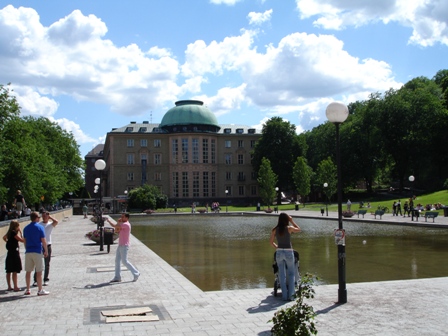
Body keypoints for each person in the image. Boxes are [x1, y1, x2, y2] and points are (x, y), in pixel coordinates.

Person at [269, 213, 301, 301]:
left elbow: (271, 242)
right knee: (291, 273)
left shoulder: (275, 229)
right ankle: (291, 296)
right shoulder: (289, 228)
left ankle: (284, 295)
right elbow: (299, 229)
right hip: (288, 252)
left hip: (279, 252)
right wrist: (292, 221)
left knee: (281, 274)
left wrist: (277, 247)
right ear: (286, 219)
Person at [106, 213, 140, 282]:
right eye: (121, 216)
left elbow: (114, 226)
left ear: (127, 218)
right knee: (117, 261)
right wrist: (118, 223)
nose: (121, 218)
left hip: (124, 245)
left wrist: (109, 221)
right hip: (120, 245)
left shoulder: (126, 224)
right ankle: (117, 277)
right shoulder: (122, 224)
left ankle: (136, 273)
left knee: (124, 261)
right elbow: (116, 230)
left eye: (123, 217)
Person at [23, 212, 49, 296]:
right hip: (37, 251)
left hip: (28, 251)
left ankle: (27, 289)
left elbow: (25, 241)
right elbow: (43, 241)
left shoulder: (26, 228)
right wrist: (46, 250)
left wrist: (26, 248)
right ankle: (40, 289)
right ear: (37, 218)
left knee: (28, 271)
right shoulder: (40, 227)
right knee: (39, 271)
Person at [33, 211, 59, 286]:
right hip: (40, 245)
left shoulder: (50, 225)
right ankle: (36, 279)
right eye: (43, 216)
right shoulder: (39, 224)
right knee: (38, 263)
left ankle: (46, 279)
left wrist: (50, 217)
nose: (44, 217)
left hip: (48, 245)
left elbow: (56, 221)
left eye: (45, 216)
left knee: (47, 263)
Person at [3, 220, 24, 291]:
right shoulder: (14, 233)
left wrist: (8, 242)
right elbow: (22, 240)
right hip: (14, 252)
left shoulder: (9, 232)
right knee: (14, 270)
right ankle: (15, 286)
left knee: (8, 270)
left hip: (9, 253)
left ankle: (9, 286)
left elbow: (4, 237)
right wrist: (21, 233)